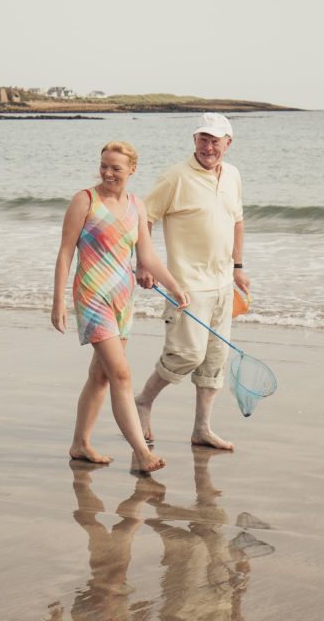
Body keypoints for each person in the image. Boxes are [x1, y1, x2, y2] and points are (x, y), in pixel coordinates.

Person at [52, 141, 186, 473]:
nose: (108, 172)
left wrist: (174, 285)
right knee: (121, 374)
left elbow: (147, 257)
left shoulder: (136, 206)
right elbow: (66, 251)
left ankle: (80, 443)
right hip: (92, 295)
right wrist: (58, 300)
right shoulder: (85, 200)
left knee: (100, 376)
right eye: (104, 166)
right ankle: (142, 451)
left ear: (131, 170)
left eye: (116, 167)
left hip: (123, 299)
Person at [134, 113, 251, 452]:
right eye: (203, 138)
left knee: (215, 361)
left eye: (215, 140)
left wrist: (238, 267)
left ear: (228, 143)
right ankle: (143, 401)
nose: (208, 146)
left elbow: (237, 221)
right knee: (186, 355)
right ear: (194, 140)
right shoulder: (176, 176)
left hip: (223, 284)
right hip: (186, 285)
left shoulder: (233, 175)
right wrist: (144, 262)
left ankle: (202, 428)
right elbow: (144, 218)